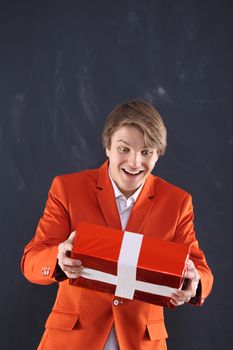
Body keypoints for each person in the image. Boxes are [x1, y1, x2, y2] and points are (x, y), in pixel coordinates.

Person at [21, 100, 213, 350]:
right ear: (108, 147)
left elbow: (201, 270)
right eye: (124, 149)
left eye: (146, 152)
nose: (134, 163)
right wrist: (57, 260)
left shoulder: (177, 202)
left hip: (142, 342)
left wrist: (194, 282)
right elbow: (31, 261)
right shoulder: (67, 189)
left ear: (158, 154)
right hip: (72, 339)